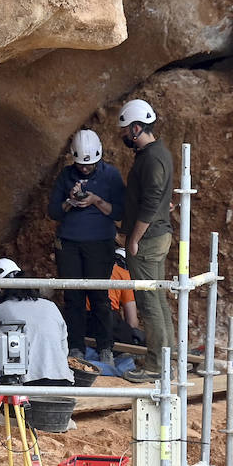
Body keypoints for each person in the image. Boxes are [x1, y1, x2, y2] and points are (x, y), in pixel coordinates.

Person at [47, 129, 124, 366]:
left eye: (88, 165)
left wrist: (96, 201)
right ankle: (76, 347)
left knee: (100, 296)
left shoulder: (110, 175)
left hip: (100, 243)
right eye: (80, 164)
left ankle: (105, 348)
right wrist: (70, 201)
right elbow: (53, 212)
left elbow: (121, 212)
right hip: (69, 243)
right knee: (73, 297)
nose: (84, 169)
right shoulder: (66, 175)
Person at [117, 98, 174, 382]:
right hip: (158, 234)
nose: (125, 136)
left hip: (149, 239)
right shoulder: (158, 154)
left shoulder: (151, 158)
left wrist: (134, 239)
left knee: (149, 302)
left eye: (127, 131)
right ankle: (164, 358)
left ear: (137, 128)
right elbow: (160, 197)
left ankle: (155, 366)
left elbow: (151, 201)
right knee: (157, 299)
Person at [0, 258, 74, 387]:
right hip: (62, 380)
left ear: (0, 289)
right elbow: (63, 348)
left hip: (24, 385)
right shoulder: (51, 306)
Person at [86, 246, 147, 349]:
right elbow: (132, 322)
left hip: (82, 320)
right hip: (106, 319)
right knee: (138, 337)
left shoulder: (92, 267)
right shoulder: (124, 274)